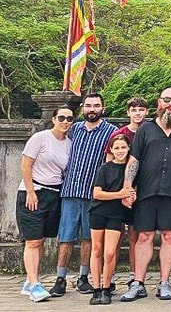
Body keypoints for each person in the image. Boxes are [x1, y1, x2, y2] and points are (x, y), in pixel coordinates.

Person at [120, 87, 171, 302]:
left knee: (169, 235)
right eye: (166, 100)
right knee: (144, 236)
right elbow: (134, 161)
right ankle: (138, 283)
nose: (170, 104)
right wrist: (127, 188)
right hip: (146, 191)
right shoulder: (145, 130)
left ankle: (164, 282)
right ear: (159, 102)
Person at [55, 93, 117, 297]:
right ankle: (60, 278)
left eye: (96, 105)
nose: (92, 109)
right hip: (71, 190)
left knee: (88, 238)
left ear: (103, 108)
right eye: (88, 105)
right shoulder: (74, 129)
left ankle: (84, 277)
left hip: (94, 194)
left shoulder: (111, 132)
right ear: (83, 108)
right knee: (66, 237)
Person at [17, 107, 73, 303]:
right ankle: (34, 285)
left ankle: (29, 280)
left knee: (41, 239)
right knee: (32, 240)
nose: (65, 121)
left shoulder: (69, 144)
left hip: (54, 193)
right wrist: (31, 192)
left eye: (69, 118)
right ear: (54, 118)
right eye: (62, 118)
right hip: (34, 191)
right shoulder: (40, 138)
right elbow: (25, 165)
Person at [105, 96, 149, 289]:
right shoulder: (120, 134)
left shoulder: (150, 131)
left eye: (141, 109)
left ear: (147, 112)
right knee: (114, 235)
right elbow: (109, 163)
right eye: (134, 110)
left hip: (141, 189)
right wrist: (118, 190)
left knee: (135, 234)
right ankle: (110, 276)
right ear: (128, 112)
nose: (137, 113)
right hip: (118, 191)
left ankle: (134, 275)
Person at [89, 134, 136, 305]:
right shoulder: (105, 168)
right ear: (111, 150)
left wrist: (130, 196)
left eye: (123, 147)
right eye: (116, 148)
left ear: (128, 148)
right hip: (98, 211)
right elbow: (97, 193)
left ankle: (106, 286)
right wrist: (119, 195)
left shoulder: (131, 170)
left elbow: (132, 191)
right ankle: (96, 288)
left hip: (116, 214)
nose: (120, 151)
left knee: (110, 252)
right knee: (96, 249)